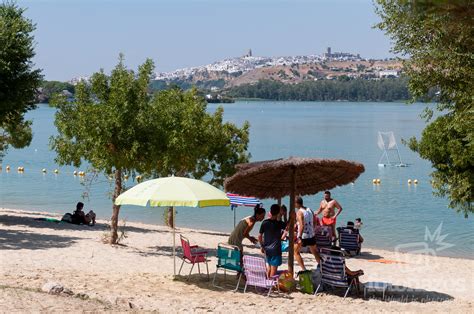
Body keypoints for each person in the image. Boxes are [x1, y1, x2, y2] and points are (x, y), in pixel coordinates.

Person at [258, 204, 287, 277]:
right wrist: (286, 216)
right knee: (273, 271)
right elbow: (288, 226)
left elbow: (259, 236)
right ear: (278, 213)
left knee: (269, 268)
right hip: (275, 250)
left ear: (270, 211)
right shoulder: (279, 224)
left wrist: (261, 245)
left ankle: (266, 284)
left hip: (267, 249)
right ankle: (269, 286)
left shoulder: (265, 222)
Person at [294, 196, 320, 271]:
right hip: (311, 234)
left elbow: (302, 225)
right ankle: (322, 267)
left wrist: (299, 237)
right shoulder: (310, 210)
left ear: (296, 203)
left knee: (295, 252)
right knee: (314, 252)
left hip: (304, 236)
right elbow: (314, 221)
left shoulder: (299, 212)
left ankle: (304, 269)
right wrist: (313, 230)